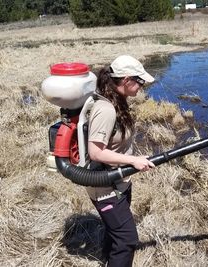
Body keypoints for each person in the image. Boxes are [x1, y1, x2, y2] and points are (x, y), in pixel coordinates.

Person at [86, 55, 155, 266]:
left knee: (116, 233)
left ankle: (108, 260)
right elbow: (96, 152)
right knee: (127, 240)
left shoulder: (117, 99)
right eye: (140, 82)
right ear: (126, 80)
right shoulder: (106, 109)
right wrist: (133, 160)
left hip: (119, 180)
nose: (141, 87)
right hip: (105, 187)